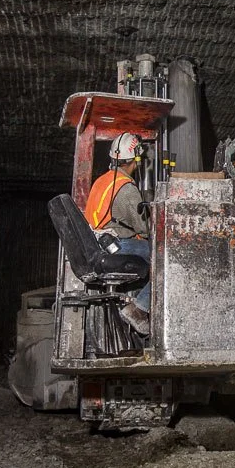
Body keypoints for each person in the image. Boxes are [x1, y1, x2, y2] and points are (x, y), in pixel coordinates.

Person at [84, 132, 151, 335]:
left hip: (99, 242)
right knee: (166, 257)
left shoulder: (102, 181)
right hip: (116, 244)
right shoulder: (127, 189)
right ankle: (139, 308)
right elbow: (144, 228)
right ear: (135, 160)